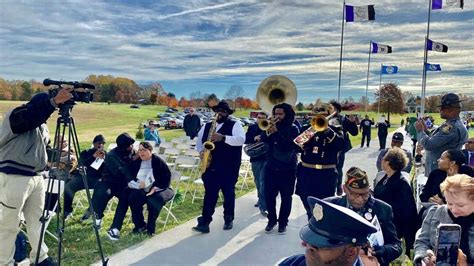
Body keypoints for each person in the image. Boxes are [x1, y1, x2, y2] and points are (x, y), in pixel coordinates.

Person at [0, 89, 73, 266]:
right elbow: (30, 117)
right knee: (9, 224)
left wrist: (62, 157)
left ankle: (40, 258)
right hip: (14, 176)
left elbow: (42, 151)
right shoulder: (16, 115)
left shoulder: (42, 126)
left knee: (37, 221)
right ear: (40, 105)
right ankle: (4, 262)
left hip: (37, 177)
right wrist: (53, 102)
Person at [325, 167, 402, 266]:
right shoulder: (331, 206)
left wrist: (378, 251)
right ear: (345, 189)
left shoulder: (383, 209)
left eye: (365, 194)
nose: (360, 199)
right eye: (355, 194)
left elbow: (396, 246)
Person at [192, 100, 245, 233]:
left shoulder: (235, 124)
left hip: (229, 167)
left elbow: (241, 140)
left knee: (228, 193)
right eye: (217, 111)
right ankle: (205, 222)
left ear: (227, 113)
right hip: (211, 166)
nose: (219, 113)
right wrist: (201, 152)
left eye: (222, 111)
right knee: (210, 194)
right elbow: (199, 142)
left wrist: (223, 138)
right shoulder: (207, 125)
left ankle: (228, 218)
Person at [279, 196, 378, 266]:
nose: (310, 248)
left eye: (324, 246)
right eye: (310, 241)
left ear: (351, 253)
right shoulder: (292, 263)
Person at [296, 106, 344, 220]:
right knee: (307, 202)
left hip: (326, 174)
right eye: (316, 116)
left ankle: (320, 229)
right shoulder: (307, 129)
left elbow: (341, 146)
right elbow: (296, 147)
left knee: (324, 206)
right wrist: (310, 132)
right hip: (307, 172)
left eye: (322, 116)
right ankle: (311, 222)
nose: (319, 118)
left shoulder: (335, 129)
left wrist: (327, 130)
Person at [414, 174, 473, 265]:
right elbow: (422, 241)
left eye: (460, 205)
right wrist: (424, 258)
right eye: (449, 203)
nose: (454, 209)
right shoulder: (436, 213)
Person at [261, 103, 300, 234]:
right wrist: (267, 132)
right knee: (269, 196)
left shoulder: (293, 128)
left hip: (287, 168)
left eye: (280, 114)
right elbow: (263, 139)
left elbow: (289, 146)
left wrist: (276, 133)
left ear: (287, 114)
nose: (277, 116)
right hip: (271, 166)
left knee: (286, 197)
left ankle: (283, 222)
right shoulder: (271, 126)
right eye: (275, 113)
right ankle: (271, 220)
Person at [374, 147, 419, 256]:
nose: (381, 161)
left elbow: (407, 211)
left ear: (389, 163)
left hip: (393, 225)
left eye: (383, 159)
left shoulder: (401, 183)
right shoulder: (386, 177)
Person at [92, 132, 137, 241]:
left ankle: (115, 228)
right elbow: (121, 172)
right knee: (103, 193)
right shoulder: (112, 155)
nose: (131, 147)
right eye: (129, 145)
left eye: (132, 145)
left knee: (125, 198)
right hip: (109, 181)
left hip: (123, 185)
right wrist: (134, 160)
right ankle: (97, 217)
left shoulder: (133, 152)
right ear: (123, 147)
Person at [415, 93, 468, 175]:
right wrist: (425, 130)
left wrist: (420, 131)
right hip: (441, 170)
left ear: (450, 109)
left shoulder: (451, 127)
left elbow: (429, 145)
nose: (440, 110)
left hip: (440, 172)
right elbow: (436, 139)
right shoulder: (454, 124)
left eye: (442, 108)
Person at [128, 142, 171, 236]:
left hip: (161, 188)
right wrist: (137, 185)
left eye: (144, 150)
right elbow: (130, 177)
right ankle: (140, 226)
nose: (141, 152)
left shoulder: (157, 161)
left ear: (150, 151)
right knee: (133, 198)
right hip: (142, 188)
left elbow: (166, 179)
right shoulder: (137, 161)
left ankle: (150, 229)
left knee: (154, 200)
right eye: (140, 150)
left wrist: (154, 188)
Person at [63, 134, 106, 221]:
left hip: (97, 179)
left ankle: (90, 210)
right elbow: (81, 164)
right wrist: (93, 157)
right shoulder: (86, 153)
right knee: (68, 186)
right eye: (98, 143)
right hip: (83, 177)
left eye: (102, 143)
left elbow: (106, 169)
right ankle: (67, 210)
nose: (100, 145)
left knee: (100, 188)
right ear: (94, 143)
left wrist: (104, 159)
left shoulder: (106, 155)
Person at [328, 101, 358, 196]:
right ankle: (330, 188)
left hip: (339, 148)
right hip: (327, 148)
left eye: (332, 108)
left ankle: (338, 185)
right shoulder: (324, 119)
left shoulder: (344, 120)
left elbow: (354, 133)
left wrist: (352, 123)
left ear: (337, 110)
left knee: (338, 168)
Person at [244, 111, 268, 216]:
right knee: (258, 181)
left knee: (263, 181)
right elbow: (246, 139)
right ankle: (260, 199)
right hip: (256, 158)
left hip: (267, 158)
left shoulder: (269, 127)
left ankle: (264, 206)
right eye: (259, 117)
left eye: (263, 118)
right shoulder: (252, 127)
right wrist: (254, 138)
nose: (260, 119)